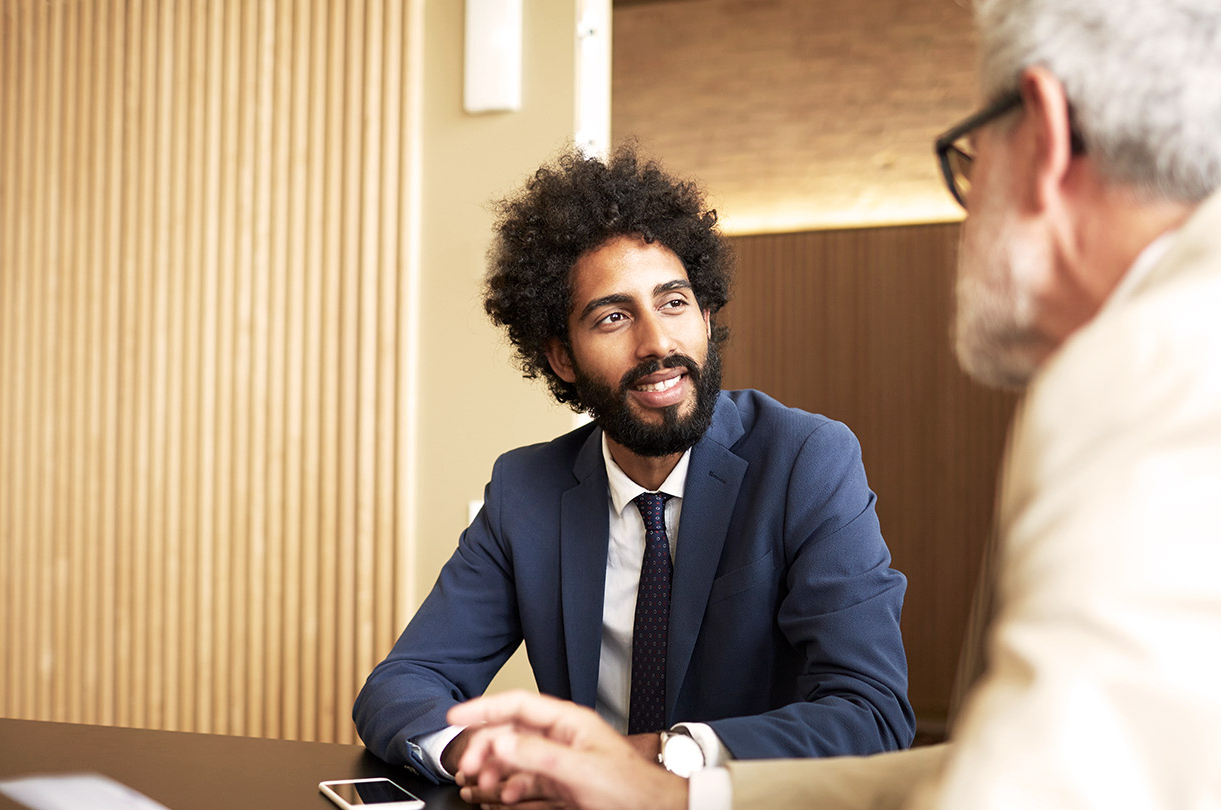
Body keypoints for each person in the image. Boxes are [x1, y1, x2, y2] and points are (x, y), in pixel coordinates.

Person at [445, 0, 1221, 808]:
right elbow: (1020, 760)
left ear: (1045, 129)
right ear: (557, 355)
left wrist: (669, 767)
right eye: (612, 317)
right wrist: (676, 789)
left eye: (967, 154)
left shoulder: (1155, 362)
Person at [352, 145, 916, 787]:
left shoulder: (805, 460)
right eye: (614, 317)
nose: (658, 344)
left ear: (706, 317)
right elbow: (401, 684)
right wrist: (483, 754)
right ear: (562, 358)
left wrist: (660, 757)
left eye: (674, 304)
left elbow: (871, 714)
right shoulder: (526, 490)